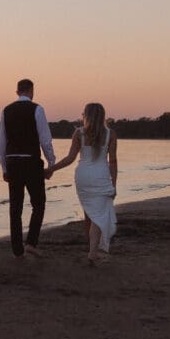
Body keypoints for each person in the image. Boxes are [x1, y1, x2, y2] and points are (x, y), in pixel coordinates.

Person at [49, 102, 118, 266]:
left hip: (83, 177)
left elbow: (70, 158)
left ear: (86, 116)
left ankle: (91, 249)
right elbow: (113, 162)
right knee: (99, 215)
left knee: (90, 215)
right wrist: (113, 184)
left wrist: (52, 169)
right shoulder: (111, 134)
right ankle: (93, 253)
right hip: (101, 177)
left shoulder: (78, 133)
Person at [0, 79, 56, 258]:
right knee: (38, 203)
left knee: (15, 207)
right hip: (31, 161)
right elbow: (45, 139)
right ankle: (31, 242)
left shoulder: (6, 111)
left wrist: (4, 167)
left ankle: (17, 250)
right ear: (31, 90)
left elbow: (2, 142)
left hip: (13, 162)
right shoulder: (37, 109)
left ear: (17, 91)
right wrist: (51, 162)